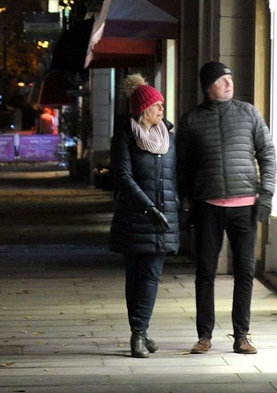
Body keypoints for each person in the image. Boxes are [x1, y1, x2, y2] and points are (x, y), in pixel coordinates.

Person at [176, 61, 277, 355]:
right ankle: (204, 336)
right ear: (208, 88)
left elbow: (268, 155)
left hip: (245, 205)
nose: (229, 83)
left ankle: (242, 335)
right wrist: (185, 206)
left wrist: (266, 195)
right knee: (205, 271)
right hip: (207, 205)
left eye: (230, 78)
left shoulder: (249, 113)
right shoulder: (192, 120)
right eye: (222, 80)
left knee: (245, 271)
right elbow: (182, 168)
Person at [109, 74, 180, 358]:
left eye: (162, 105)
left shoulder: (169, 139)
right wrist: (148, 208)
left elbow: (176, 178)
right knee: (135, 277)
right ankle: (140, 331)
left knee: (150, 276)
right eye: (156, 105)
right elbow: (123, 177)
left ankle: (139, 333)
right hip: (134, 217)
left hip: (164, 218)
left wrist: (179, 210)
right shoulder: (125, 136)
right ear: (143, 110)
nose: (162, 110)